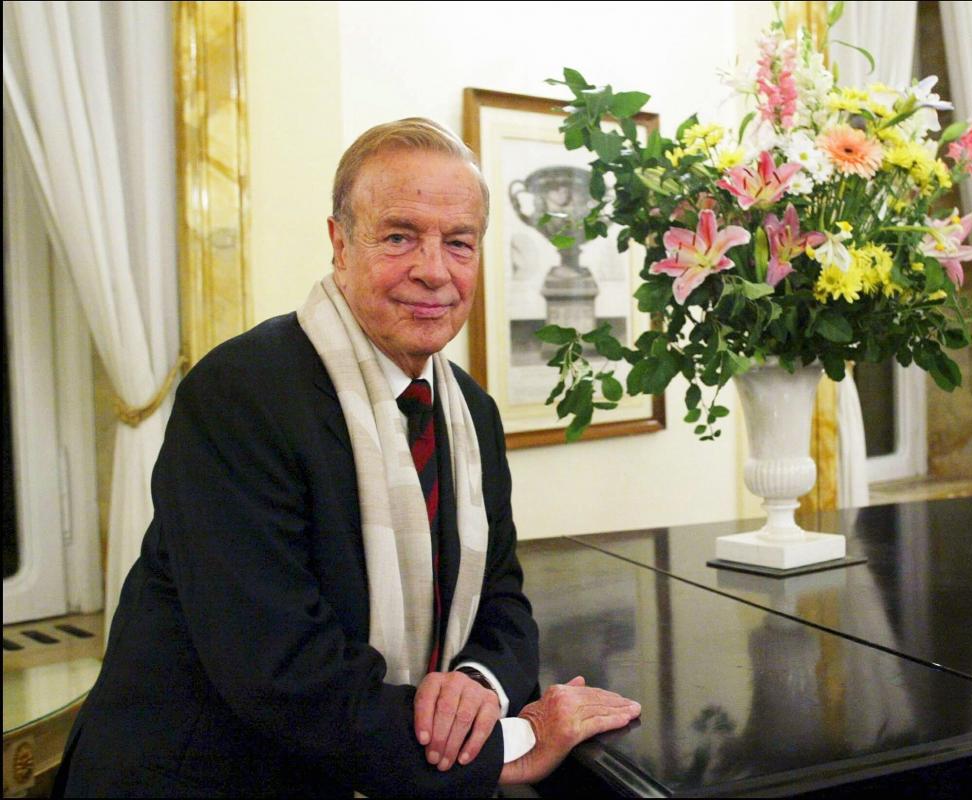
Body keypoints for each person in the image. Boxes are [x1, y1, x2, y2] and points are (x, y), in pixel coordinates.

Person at [55, 118, 640, 797]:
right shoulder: (240, 394)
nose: (433, 270)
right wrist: (500, 748)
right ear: (340, 243)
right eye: (399, 237)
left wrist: (475, 686)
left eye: (458, 242)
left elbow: (501, 601)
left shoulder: (471, 413)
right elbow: (277, 667)